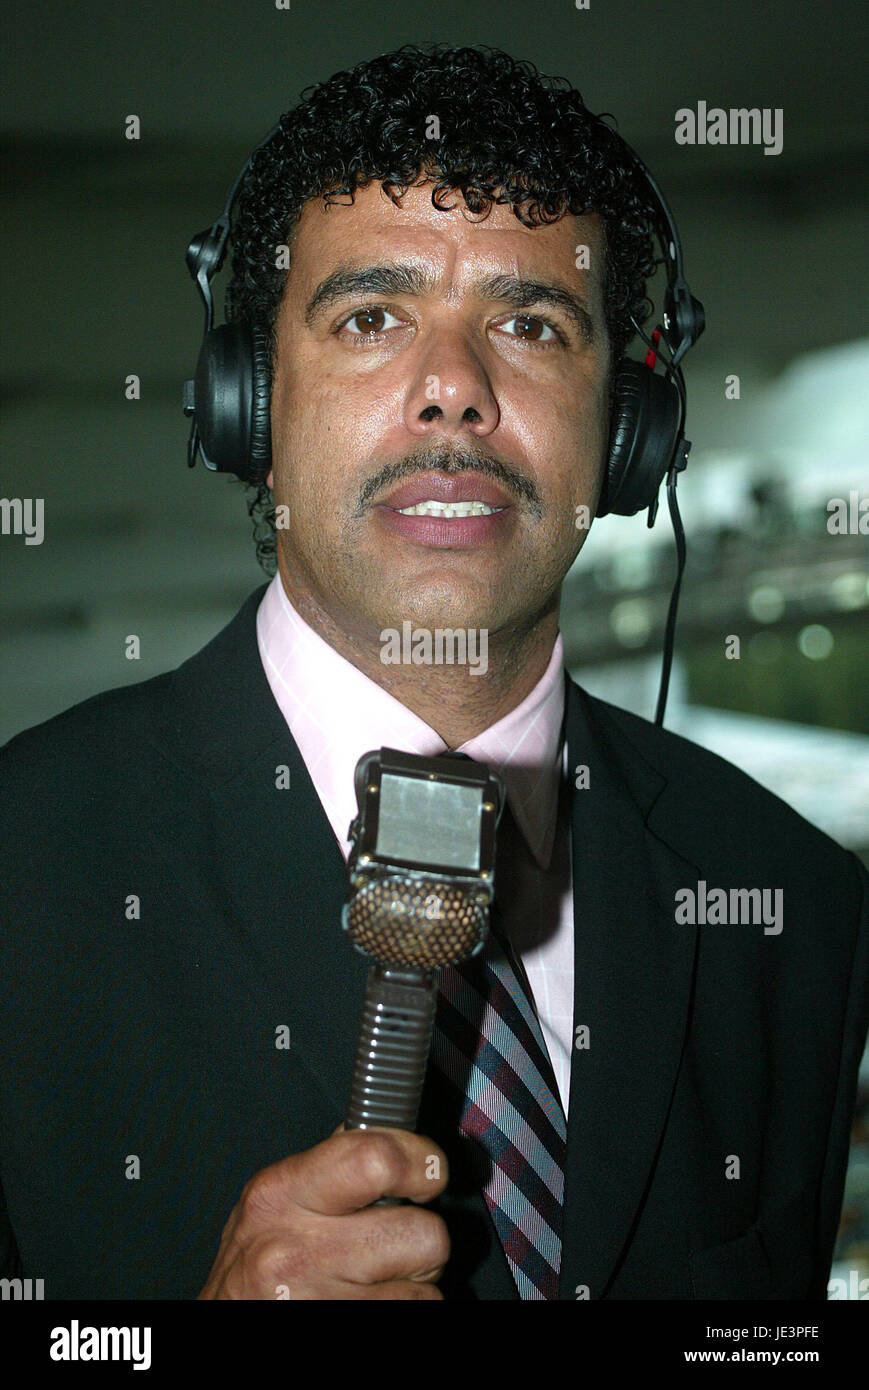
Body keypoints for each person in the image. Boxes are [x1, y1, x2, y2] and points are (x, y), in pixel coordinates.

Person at [1, 44, 866, 1302]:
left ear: (627, 432)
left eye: (529, 323)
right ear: (247, 408)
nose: (452, 391)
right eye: (370, 318)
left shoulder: (782, 897)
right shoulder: (26, 867)